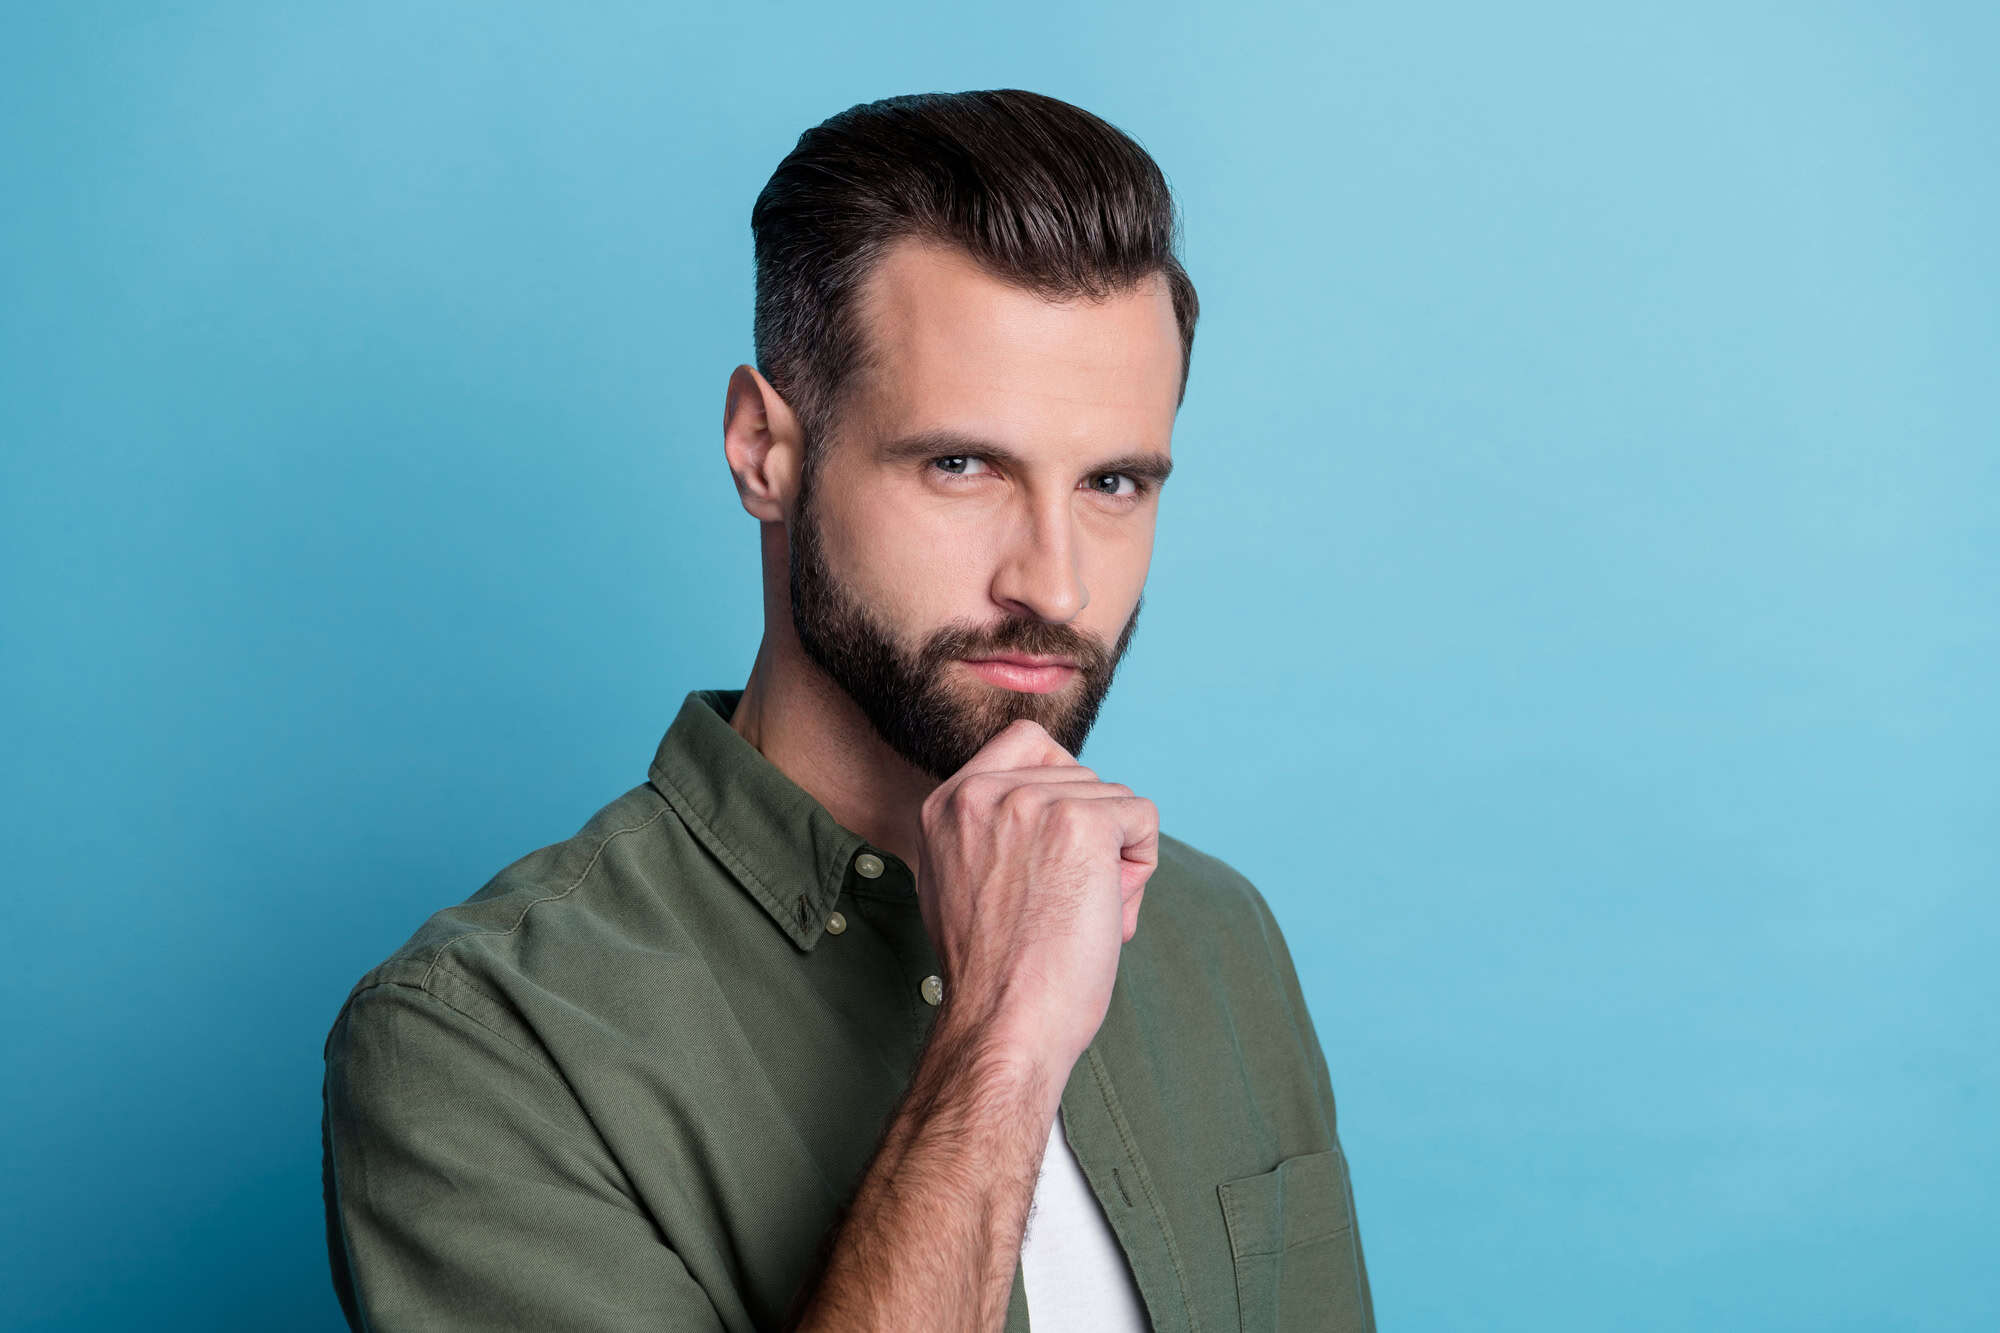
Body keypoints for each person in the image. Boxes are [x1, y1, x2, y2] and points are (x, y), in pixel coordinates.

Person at [321, 88, 1375, 1332]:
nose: (1054, 580)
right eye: (959, 465)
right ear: (765, 450)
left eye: (1111, 482)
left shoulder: (1211, 936)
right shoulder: (481, 1045)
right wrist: (1003, 1040)